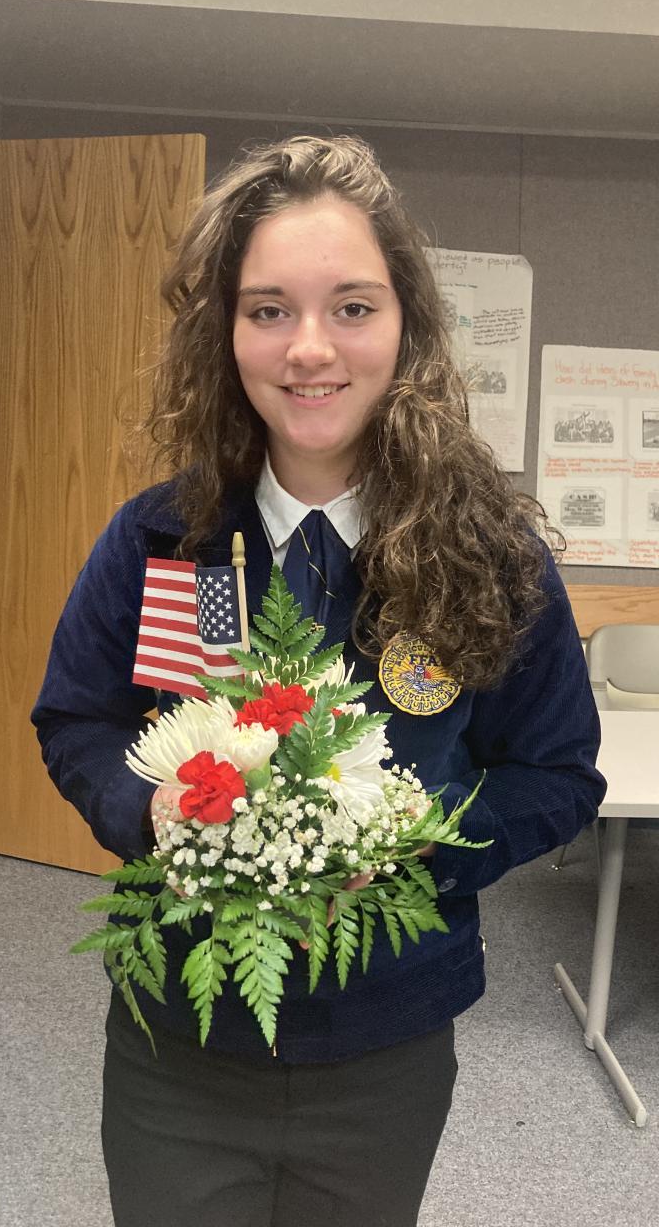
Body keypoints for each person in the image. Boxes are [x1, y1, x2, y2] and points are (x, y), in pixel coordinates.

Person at [31, 135, 604, 1227]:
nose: (309, 348)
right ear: (225, 332)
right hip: (179, 1041)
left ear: (406, 325)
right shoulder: (158, 541)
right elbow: (76, 718)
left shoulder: (491, 556)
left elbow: (559, 774)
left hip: (388, 1039)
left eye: (351, 307)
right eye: (268, 310)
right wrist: (145, 808)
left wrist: (418, 845)